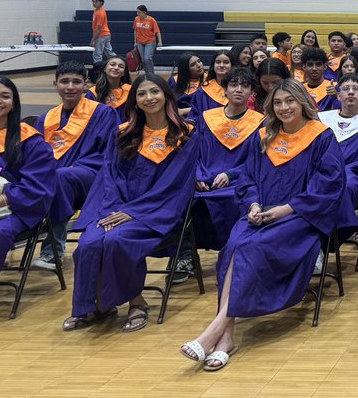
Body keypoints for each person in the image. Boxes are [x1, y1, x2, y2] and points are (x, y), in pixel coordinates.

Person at [179, 80, 356, 370]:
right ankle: (227, 336)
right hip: (261, 212)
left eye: (290, 101)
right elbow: (248, 177)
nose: (284, 108)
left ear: (302, 103)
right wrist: (252, 205)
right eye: (278, 103)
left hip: (301, 218)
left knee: (253, 246)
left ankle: (218, 328)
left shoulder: (321, 137)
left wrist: (287, 210)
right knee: (234, 244)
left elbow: (329, 186)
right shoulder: (264, 136)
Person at [64, 75, 198, 333]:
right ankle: (94, 306)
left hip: (159, 211)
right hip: (115, 207)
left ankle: (136, 302)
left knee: (117, 241)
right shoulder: (123, 133)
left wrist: (134, 212)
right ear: (134, 101)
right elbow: (109, 176)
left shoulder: (185, 134)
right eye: (142, 94)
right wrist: (115, 208)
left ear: (167, 96)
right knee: (88, 243)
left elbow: (176, 183)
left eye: (155, 92)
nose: (149, 98)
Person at [0, 77, 59, 316]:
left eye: (5, 96)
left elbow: (35, 187)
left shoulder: (30, 140)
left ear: (13, 104)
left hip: (17, 207)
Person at [34, 61, 120, 269]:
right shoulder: (46, 119)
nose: (70, 87)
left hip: (92, 176)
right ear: (55, 84)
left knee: (63, 176)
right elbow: (35, 154)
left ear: (85, 85)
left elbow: (110, 153)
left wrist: (75, 166)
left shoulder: (102, 113)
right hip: (54, 177)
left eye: (76, 82)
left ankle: (52, 250)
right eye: (64, 81)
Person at [189, 68, 266, 253]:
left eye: (245, 86)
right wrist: (197, 176)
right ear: (225, 90)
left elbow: (257, 161)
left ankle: (234, 251)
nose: (239, 89)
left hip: (238, 183)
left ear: (251, 93)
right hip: (202, 182)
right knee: (178, 200)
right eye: (233, 85)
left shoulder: (259, 122)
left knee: (238, 200)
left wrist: (230, 174)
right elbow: (193, 153)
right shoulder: (207, 118)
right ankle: (186, 254)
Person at [319, 73, 358, 205]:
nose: (351, 92)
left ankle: (340, 226)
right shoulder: (322, 120)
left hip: (351, 174)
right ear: (338, 95)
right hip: (320, 170)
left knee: (345, 186)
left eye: (356, 89)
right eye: (346, 89)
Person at [188, 50, 234, 115]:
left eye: (226, 62)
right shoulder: (203, 91)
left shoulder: (239, 89)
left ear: (232, 66)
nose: (221, 65)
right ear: (213, 65)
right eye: (218, 62)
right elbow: (195, 115)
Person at [132, 5, 161, 76]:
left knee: (147, 58)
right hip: (140, 42)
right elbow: (135, 30)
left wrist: (160, 42)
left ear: (144, 12)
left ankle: (151, 74)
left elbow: (157, 31)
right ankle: (147, 74)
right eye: (137, 12)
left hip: (150, 41)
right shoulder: (136, 19)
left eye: (139, 12)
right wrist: (135, 41)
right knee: (143, 60)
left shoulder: (151, 20)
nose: (138, 14)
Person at [90, 0, 115, 75]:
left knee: (97, 55)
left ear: (101, 2)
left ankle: (98, 73)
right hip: (106, 34)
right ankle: (120, 62)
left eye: (96, 1)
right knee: (109, 53)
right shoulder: (96, 11)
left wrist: (93, 40)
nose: (94, 3)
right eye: (93, 1)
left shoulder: (100, 13)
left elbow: (98, 28)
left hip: (101, 35)